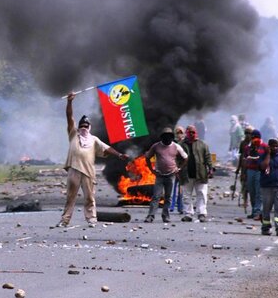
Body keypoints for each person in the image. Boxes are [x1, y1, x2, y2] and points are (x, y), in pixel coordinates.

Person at [57, 93, 129, 228]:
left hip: (89, 172)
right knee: (70, 197)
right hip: (74, 170)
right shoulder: (73, 134)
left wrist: (119, 155)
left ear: (89, 127)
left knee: (90, 198)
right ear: (79, 127)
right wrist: (69, 102)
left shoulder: (94, 139)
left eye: (86, 125)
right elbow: (69, 117)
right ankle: (65, 220)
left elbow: (107, 148)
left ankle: (91, 219)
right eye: (82, 125)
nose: (84, 127)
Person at [143, 127, 188, 223]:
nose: (167, 138)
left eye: (169, 136)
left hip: (171, 175)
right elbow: (147, 157)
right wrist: (152, 170)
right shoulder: (156, 146)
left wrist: (179, 169)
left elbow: (185, 157)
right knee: (156, 196)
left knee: (168, 197)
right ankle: (150, 216)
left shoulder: (176, 146)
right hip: (159, 175)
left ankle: (165, 216)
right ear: (162, 137)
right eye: (165, 136)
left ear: (172, 137)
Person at [179, 125, 214, 223]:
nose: (191, 134)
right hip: (186, 174)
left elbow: (208, 158)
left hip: (201, 174)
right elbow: (177, 159)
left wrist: (210, 168)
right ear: (186, 133)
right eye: (189, 132)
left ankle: (201, 213)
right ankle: (188, 214)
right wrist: (177, 170)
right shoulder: (181, 145)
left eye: (193, 132)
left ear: (196, 133)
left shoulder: (202, 144)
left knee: (202, 194)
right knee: (186, 195)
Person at [242, 129, 268, 220]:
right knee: (252, 191)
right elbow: (245, 160)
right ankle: (254, 210)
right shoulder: (247, 147)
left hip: (259, 171)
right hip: (250, 170)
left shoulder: (264, 146)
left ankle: (257, 211)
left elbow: (267, 159)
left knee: (258, 192)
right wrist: (244, 172)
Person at [235, 126, 253, 211]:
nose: (247, 135)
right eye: (246, 133)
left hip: (252, 167)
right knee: (243, 184)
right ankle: (245, 200)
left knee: (251, 185)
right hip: (244, 166)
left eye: (249, 133)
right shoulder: (243, 143)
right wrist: (238, 168)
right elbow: (241, 156)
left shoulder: (255, 143)